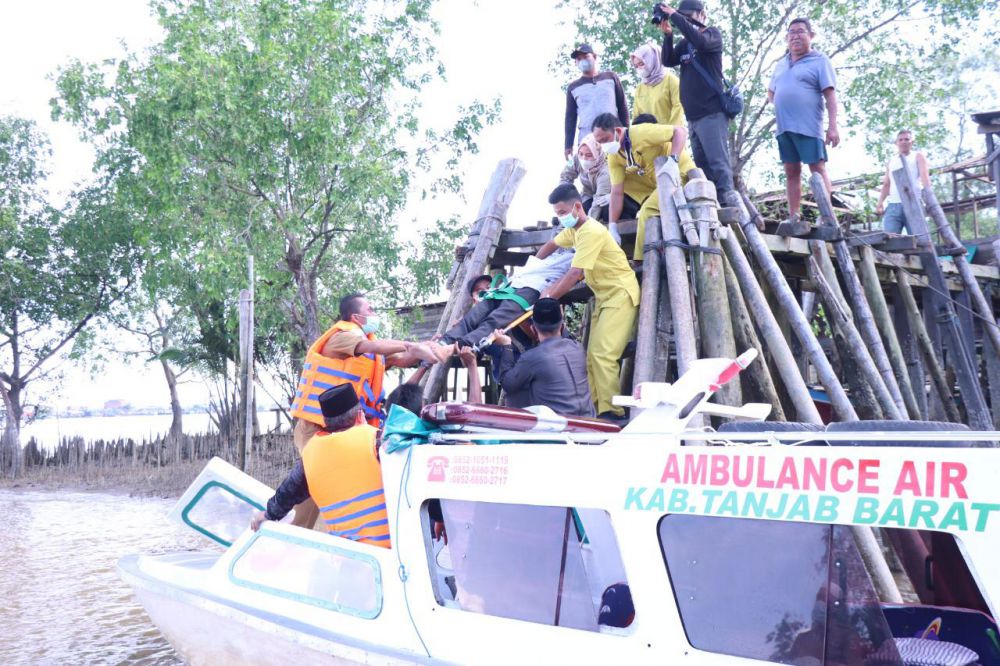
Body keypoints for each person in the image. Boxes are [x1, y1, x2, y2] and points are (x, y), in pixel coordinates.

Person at [288, 292, 437, 528]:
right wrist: (412, 344)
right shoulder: (342, 337)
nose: (374, 314)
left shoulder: (370, 352)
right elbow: (372, 346)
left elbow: (402, 359)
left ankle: (337, 534)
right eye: (370, 310)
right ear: (356, 316)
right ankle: (291, 533)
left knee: (338, 483)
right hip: (315, 427)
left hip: (343, 429)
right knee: (309, 483)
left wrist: (428, 348)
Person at [536, 183, 640, 422]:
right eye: (557, 214)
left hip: (620, 294)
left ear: (577, 207)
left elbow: (576, 274)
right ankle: (593, 411)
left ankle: (611, 413)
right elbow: (551, 245)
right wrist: (531, 266)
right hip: (603, 297)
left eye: (563, 212)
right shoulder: (574, 231)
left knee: (603, 354)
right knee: (591, 356)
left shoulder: (591, 231)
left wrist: (550, 296)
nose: (560, 217)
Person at [251, 384, 391, 548]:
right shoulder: (377, 440)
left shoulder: (311, 454)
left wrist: (268, 515)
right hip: (388, 552)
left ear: (325, 422)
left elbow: (288, 492)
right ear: (360, 415)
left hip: (348, 555)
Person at [658, 1, 740, 209]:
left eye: (688, 16)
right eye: (682, 16)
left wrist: (675, 16)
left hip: (711, 113)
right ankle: (712, 204)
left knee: (718, 163)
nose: (685, 20)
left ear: (701, 14)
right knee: (703, 166)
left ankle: (729, 204)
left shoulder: (712, 35)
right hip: (693, 117)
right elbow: (668, 61)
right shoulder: (686, 43)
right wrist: (668, 35)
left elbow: (701, 43)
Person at [768, 17, 839, 236]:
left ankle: (827, 216)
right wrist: (783, 99)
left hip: (809, 125)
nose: (795, 36)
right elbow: (771, 93)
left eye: (800, 31)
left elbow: (830, 95)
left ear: (811, 35)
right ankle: (794, 216)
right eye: (791, 33)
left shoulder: (819, 60)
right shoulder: (781, 63)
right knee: (791, 170)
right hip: (784, 127)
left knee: (817, 168)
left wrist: (833, 126)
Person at [590, 112, 691, 260]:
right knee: (624, 188)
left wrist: (673, 160)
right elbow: (617, 192)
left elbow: (680, 131)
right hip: (657, 184)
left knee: (647, 211)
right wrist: (612, 225)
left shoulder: (640, 132)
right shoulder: (613, 156)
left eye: (605, 139)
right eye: (600, 143)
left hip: (678, 175)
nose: (604, 145)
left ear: (618, 131)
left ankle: (640, 260)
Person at [436, 249, 575, 353]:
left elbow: (575, 274)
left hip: (530, 289)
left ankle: (461, 345)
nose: (485, 290)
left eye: (487, 287)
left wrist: (547, 295)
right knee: (472, 317)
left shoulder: (569, 259)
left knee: (495, 319)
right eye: (480, 291)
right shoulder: (539, 261)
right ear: (473, 297)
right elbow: (551, 245)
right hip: (510, 286)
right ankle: (444, 341)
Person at [494, 298, 594, 417]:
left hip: (560, 427)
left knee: (517, 387)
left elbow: (508, 384)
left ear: (533, 329)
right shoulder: (577, 348)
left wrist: (506, 346)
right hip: (588, 421)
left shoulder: (532, 357)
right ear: (562, 325)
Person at [564, 43, 630, 160]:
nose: (582, 61)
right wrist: (568, 144)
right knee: (591, 174)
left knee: (617, 173)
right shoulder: (573, 87)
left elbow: (622, 106)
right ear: (576, 63)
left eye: (586, 57)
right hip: (588, 140)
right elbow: (570, 118)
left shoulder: (611, 77)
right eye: (579, 59)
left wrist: (626, 134)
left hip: (612, 137)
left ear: (594, 57)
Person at [876, 130, 931, 234]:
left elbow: (925, 180)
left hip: (913, 203)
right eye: (900, 140)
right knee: (889, 240)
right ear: (896, 143)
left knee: (919, 239)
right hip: (893, 205)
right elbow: (887, 184)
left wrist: (929, 200)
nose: (903, 142)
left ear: (912, 142)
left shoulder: (918, 156)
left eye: (907, 139)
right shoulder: (891, 160)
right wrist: (880, 203)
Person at [631, 43, 684, 129]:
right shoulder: (640, 88)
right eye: (636, 66)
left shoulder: (671, 81)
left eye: (641, 64)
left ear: (652, 60)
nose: (639, 69)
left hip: (669, 138)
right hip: (646, 139)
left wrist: (671, 134)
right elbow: (636, 117)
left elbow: (678, 109)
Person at [560, 134, 612, 221]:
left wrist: (587, 225)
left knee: (604, 210)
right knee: (577, 211)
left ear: (597, 154)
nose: (583, 158)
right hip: (588, 193)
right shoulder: (576, 158)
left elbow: (597, 203)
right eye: (581, 154)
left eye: (589, 155)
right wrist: (565, 199)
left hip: (605, 197)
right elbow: (565, 176)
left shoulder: (605, 171)